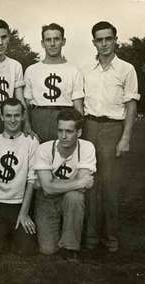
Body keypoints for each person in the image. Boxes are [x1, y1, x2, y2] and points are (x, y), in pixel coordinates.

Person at [82, 21, 140, 253]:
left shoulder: (127, 69)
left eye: (108, 39)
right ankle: (90, 237)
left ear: (116, 39)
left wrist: (125, 137)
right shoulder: (86, 70)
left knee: (110, 185)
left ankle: (111, 238)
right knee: (89, 183)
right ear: (94, 42)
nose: (104, 44)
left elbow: (132, 106)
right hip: (89, 126)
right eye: (99, 39)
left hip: (113, 128)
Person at [33, 109, 96, 260]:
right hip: (47, 200)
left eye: (69, 131)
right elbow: (48, 190)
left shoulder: (87, 147)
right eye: (60, 130)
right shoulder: (45, 148)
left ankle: (70, 246)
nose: (63, 136)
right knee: (47, 249)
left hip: (70, 198)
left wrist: (52, 183)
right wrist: (79, 181)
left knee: (75, 197)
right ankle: (59, 230)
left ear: (79, 132)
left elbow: (80, 189)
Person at [0, 98, 39, 256]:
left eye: (17, 115)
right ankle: (4, 232)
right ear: (1, 117)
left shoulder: (31, 142)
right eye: (8, 115)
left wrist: (24, 212)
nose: (13, 120)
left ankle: (14, 233)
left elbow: (32, 180)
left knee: (26, 249)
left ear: (23, 116)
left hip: (18, 204)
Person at [24, 23, 84, 142]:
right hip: (39, 119)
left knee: (63, 158)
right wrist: (26, 125)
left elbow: (78, 105)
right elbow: (26, 104)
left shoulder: (73, 70)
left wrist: (79, 128)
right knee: (39, 157)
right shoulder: (32, 70)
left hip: (65, 119)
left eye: (56, 39)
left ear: (63, 41)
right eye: (48, 40)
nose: (52, 44)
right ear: (42, 43)